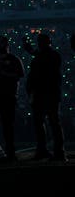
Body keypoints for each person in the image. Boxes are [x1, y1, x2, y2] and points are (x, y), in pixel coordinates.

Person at [22, 33, 67, 162]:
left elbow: (39, 59)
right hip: (47, 93)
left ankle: (50, 151)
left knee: (47, 123)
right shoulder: (51, 55)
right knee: (51, 123)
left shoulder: (48, 56)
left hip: (44, 93)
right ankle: (55, 151)